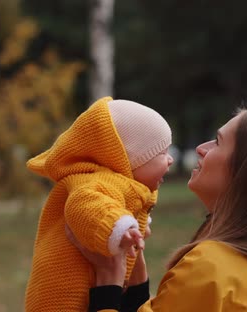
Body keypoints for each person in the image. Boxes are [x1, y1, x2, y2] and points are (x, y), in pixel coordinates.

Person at [71, 105, 247, 312]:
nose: (201, 149)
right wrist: (135, 269)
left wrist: (107, 281)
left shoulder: (212, 270)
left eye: (217, 142)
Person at [24, 96, 174, 311]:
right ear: (130, 158)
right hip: (63, 297)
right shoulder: (96, 181)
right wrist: (118, 226)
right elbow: (85, 204)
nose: (171, 160)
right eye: (162, 153)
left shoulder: (121, 185)